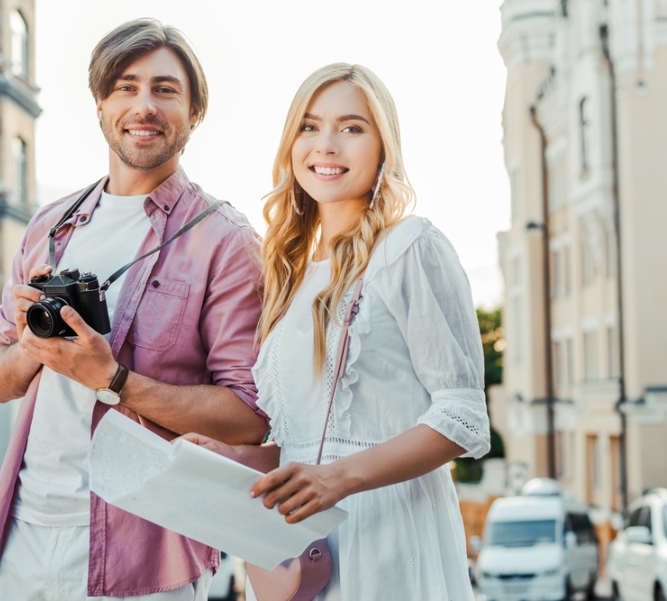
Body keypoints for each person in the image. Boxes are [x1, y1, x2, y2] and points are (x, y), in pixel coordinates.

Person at [0, 18, 266, 601]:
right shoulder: (49, 226)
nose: (144, 105)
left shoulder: (224, 240)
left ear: (195, 111)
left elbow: (249, 415)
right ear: (100, 105)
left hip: (145, 548)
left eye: (165, 89)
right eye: (125, 87)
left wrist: (113, 380)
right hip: (25, 536)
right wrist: (30, 347)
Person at [183, 64, 490, 600]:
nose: (326, 145)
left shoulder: (411, 246)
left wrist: (339, 479)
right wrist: (234, 461)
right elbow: (307, 440)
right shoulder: (290, 274)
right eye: (308, 126)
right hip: (298, 550)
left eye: (351, 127)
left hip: (387, 537)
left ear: (382, 146)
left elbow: (461, 415)